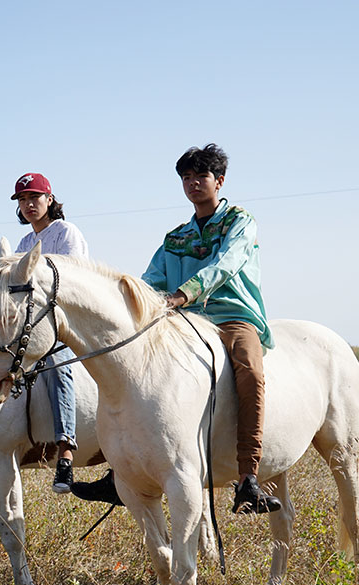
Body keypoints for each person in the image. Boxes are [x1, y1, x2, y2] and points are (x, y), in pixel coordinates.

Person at [72, 144, 281, 513]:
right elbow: (151, 279)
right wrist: (129, 303)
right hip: (182, 318)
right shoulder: (176, 237)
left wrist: (185, 293)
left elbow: (226, 263)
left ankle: (248, 476)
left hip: (230, 315)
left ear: (220, 180)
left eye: (201, 176)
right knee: (129, 367)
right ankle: (119, 471)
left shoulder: (239, 221)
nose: (193, 184)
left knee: (250, 370)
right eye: (186, 177)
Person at [10, 172, 89, 493]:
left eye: (34, 198)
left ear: (49, 199)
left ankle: (66, 450)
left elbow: (73, 279)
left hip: (63, 321)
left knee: (58, 363)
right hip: (31, 322)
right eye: (23, 200)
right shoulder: (25, 243)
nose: (29, 205)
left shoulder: (66, 232)